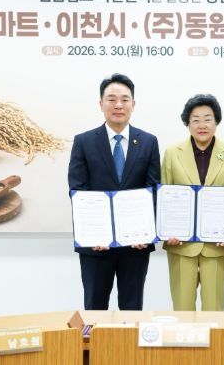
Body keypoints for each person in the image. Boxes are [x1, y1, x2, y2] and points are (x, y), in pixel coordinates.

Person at [68, 73, 160, 310]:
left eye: (124, 99)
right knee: (95, 308)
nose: (118, 105)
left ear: (133, 104)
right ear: (101, 104)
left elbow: (153, 190)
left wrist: (146, 232)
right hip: (96, 246)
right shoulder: (84, 142)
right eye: (111, 99)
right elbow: (77, 191)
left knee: (132, 308)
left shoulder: (148, 142)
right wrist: (93, 234)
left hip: (136, 246)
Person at [161, 94, 224, 311]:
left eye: (208, 119)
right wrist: (168, 230)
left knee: (214, 310)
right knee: (182, 309)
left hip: (217, 244)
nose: (202, 125)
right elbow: (165, 195)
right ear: (187, 124)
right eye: (195, 120)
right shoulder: (172, 153)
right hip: (180, 244)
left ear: (216, 122)